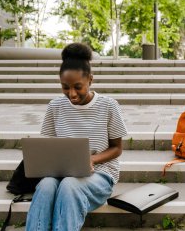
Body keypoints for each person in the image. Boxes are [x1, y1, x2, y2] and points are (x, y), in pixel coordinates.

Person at [26, 43, 127, 230]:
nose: (71, 94)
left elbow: (117, 148)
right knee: (46, 185)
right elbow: (49, 146)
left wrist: (92, 159)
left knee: (69, 185)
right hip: (60, 173)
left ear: (90, 80)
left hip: (100, 174)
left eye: (78, 87)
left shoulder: (108, 106)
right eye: (65, 87)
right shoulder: (55, 106)